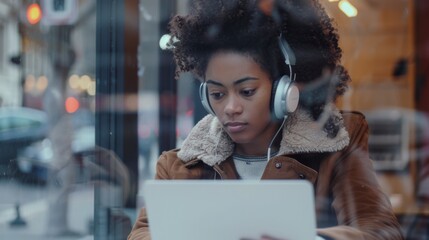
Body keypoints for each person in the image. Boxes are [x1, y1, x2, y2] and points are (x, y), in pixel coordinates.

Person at [129, 0, 403, 239]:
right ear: (204, 97)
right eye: (217, 93)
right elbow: (141, 234)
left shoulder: (337, 144)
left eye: (247, 91)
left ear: (285, 91)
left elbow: (379, 231)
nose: (231, 107)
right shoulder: (177, 165)